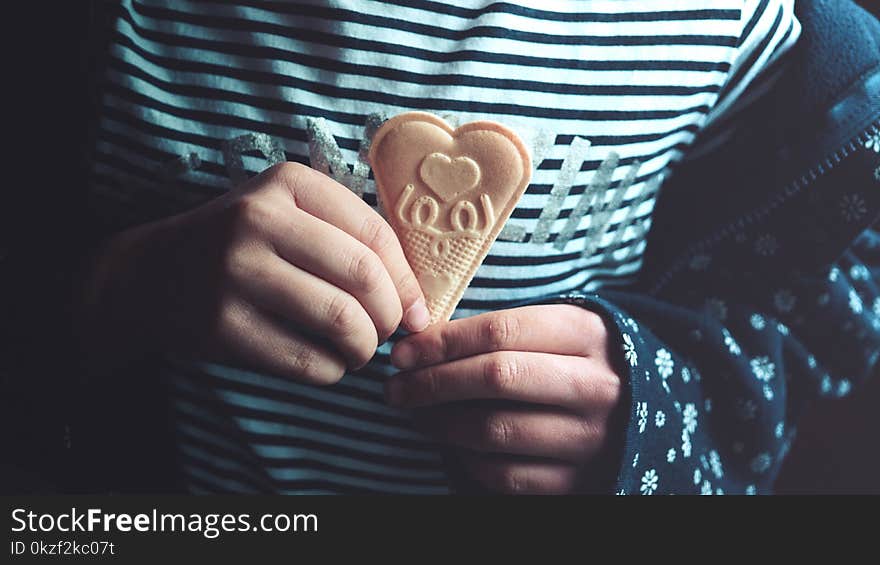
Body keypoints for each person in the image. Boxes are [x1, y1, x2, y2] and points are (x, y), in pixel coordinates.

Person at [2, 0, 879, 494]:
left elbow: (814, 321)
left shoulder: (750, 34)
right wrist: (107, 290)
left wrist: (653, 414)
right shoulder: (73, 30)